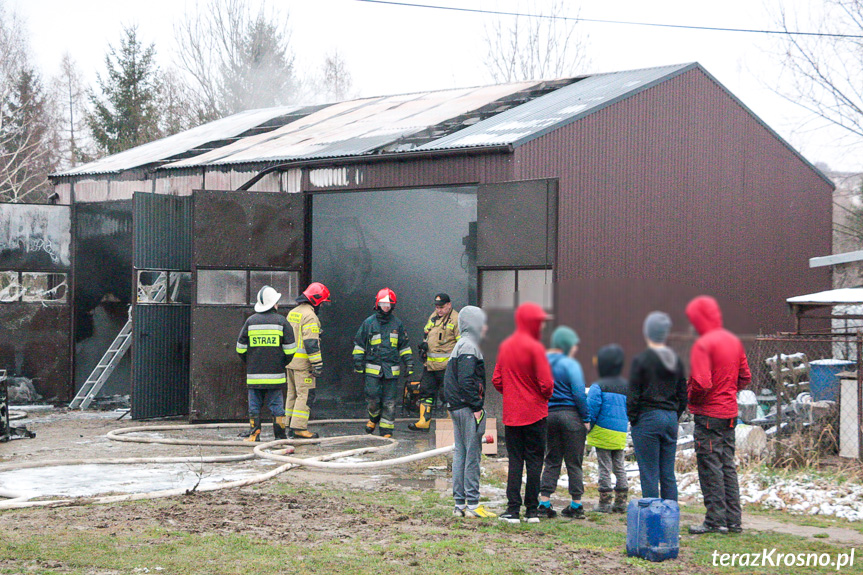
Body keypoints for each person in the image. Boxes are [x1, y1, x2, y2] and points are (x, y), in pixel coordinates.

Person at [685, 296, 751, 535]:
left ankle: (715, 521)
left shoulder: (702, 345)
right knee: (726, 466)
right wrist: (728, 391)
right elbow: (745, 377)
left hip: (709, 416)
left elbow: (701, 384)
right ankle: (733, 521)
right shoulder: (734, 342)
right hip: (729, 414)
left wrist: (690, 397)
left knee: (710, 467)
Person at [492, 302, 554, 524]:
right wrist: (539, 398)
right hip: (536, 415)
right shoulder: (536, 348)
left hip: (512, 415)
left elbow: (496, 380)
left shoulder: (506, 346)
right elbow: (547, 384)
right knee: (535, 461)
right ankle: (531, 511)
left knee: (515, 461)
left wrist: (511, 394)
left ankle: (512, 509)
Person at [628, 312, 687, 501]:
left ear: (647, 333)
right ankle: (670, 520)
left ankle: (653, 523)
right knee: (667, 474)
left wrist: (634, 418)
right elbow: (683, 395)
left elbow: (633, 396)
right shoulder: (676, 361)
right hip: (670, 418)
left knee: (649, 472)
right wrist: (673, 415)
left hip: (647, 418)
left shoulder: (641, 360)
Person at [444, 305, 496, 519]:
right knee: (472, 456)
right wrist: (476, 406)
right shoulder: (469, 346)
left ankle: (459, 505)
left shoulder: (460, 344)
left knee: (461, 454)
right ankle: (473, 504)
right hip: (467, 409)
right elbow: (466, 380)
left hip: (456, 407)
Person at [537, 326, 590, 519]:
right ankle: (576, 505)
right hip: (571, 417)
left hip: (549, 415)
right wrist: (586, 418)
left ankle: (544, 503)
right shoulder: (570, 364)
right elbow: (578, 393)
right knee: (574, 462)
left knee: (551, 459)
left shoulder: (543, 362)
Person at [236, 285, 297, 442]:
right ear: (274, 304)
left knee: (254, 407)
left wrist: (250, 362)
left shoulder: (250, 322)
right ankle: (280, 437)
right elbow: (290, 350)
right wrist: (281, 363)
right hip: (275, 376)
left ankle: (254, 435)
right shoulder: (281, 322)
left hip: (254, 376)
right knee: (277, 408)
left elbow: (240, 349)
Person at [353, 288, 414, 438]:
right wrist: (358, 362)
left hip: (391, 370)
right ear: (377, 304)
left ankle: (386, 430)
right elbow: (359, 344)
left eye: (388, 304)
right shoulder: (369, 323)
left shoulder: (397, 324)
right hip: (373, 369)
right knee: (372, 397)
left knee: (389, 401)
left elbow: (404, 346)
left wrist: (409, 363)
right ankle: (374, 418)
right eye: (383, 304)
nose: (385, 307)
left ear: (392, 306)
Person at [586, 344, 629, 513]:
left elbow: (592, 408)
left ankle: (604, 503)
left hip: (603, 430)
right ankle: (621, 503)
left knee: (604, 467)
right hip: (620, 432)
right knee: (619, 466)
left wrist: (589, 427)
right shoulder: (627, 386)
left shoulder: (598, 385)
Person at [285, 282, 330, 439]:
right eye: (322, 303)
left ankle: (288, 425)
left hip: (290, 362)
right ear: (316, 300)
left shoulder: (293, 312)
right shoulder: (310, 316)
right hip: (304, 364)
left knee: (292, 394)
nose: (322, 306)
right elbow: (310, 343)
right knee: (305, 395)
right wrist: (317, 364)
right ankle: (299, 428)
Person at [409, 293, 460, 432]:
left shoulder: (455, 319)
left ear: (449, 305)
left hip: (447, 367)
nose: (439, 310)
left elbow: (461, 343)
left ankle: (452, 423)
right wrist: (424, 345)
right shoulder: (433, 317)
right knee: (425, 392)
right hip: (430, 366)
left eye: (442, 307)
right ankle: (424, 422)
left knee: (448, 395)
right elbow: (427, 333)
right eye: (437, 307)